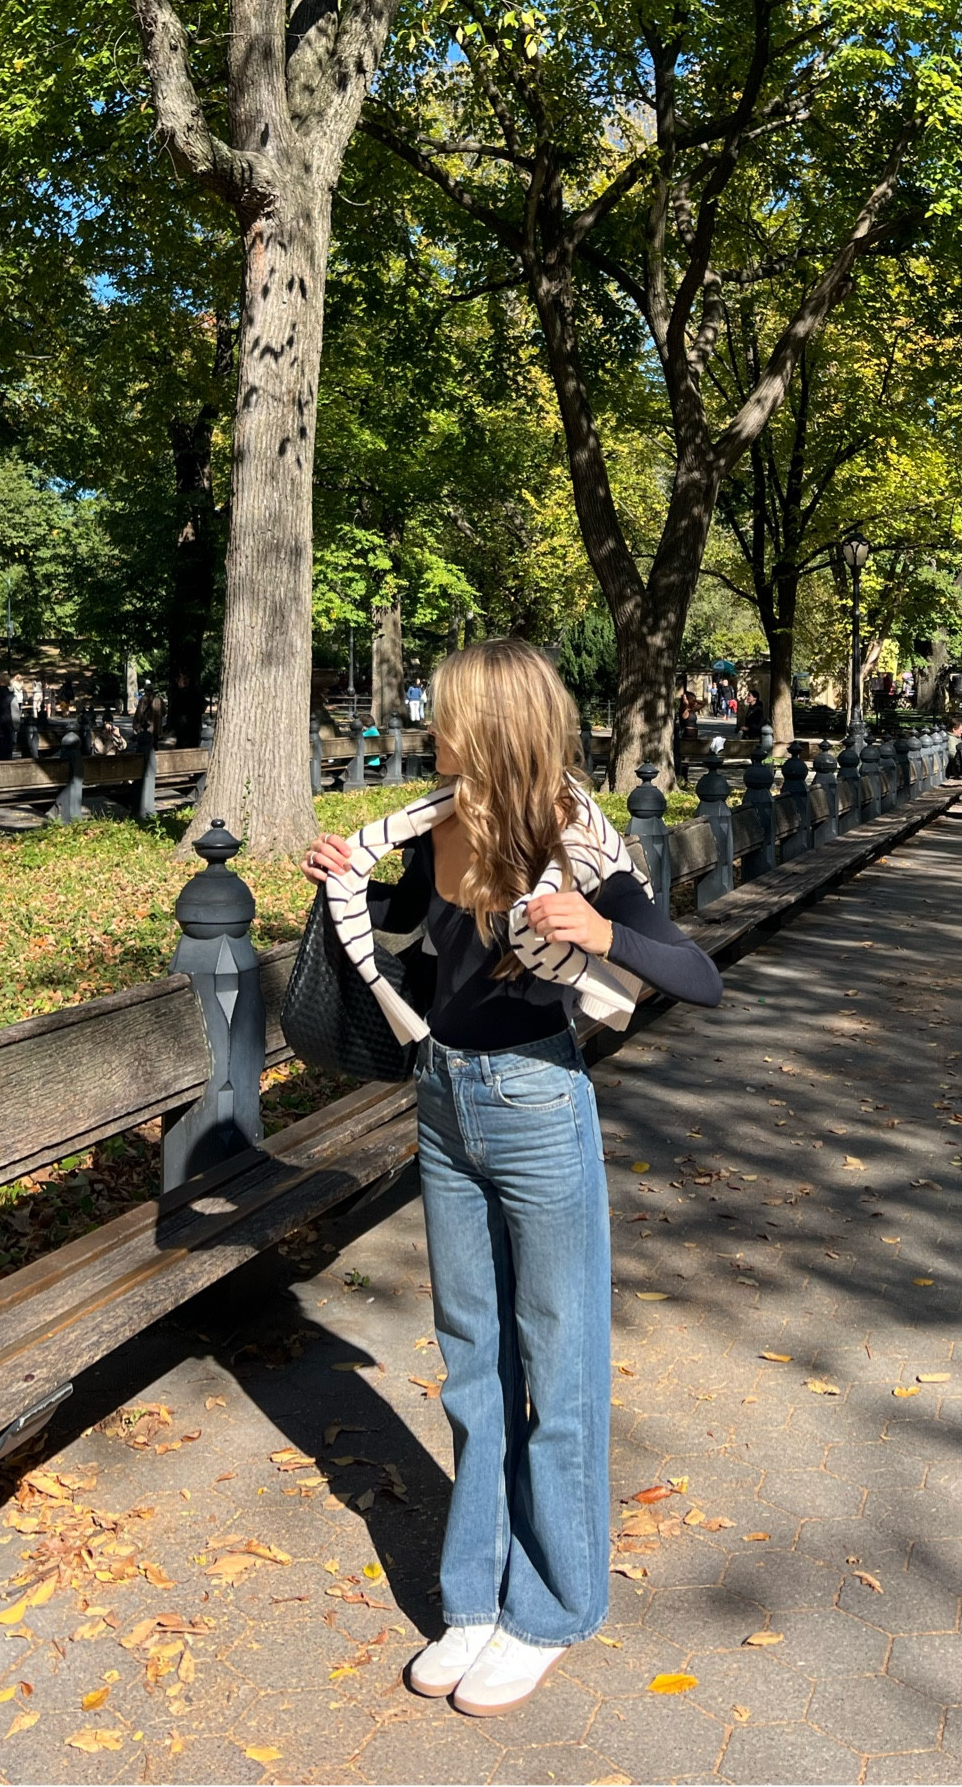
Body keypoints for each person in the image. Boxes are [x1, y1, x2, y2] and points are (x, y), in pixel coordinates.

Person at [302, 639, 722, 1717]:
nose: (425, 729)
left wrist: (597, 928)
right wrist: (343, 881)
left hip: (535, 1102)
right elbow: (412, 945)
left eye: (441, 715)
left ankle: (551, 1608)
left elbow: (695, 973)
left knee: (558, 1361)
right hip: (441, 1098)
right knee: (471, 1363)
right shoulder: (432, 822)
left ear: (492, 723)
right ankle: (473, 1596)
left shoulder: (571, 833)